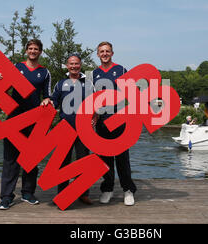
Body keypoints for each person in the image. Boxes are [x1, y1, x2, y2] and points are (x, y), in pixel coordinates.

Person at [0, 39, 51, 210]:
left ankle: (27, 192)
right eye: (30, 48)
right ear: (26, 51)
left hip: (35, 120)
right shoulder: (15, 67)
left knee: (31, 158)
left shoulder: (45, 72)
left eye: (36, 49)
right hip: (14, 119)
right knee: (10, 159)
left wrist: (47, 100)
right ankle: (6, 196)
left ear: (40, 52)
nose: (33, 51)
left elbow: (47, 95)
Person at [41, 53, 95, 205]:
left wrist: (94, 119)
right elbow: (54, 102)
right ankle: (63, 193)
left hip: (83, 130)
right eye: (71, 64)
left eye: (76, 63)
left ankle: (83, 194)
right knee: (62, 162)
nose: (74, 66)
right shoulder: (61, 83)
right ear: (67, 65)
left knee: (83, 162)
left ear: (80, 65)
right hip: (65, 129)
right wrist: (48, 100)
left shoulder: (89, 84)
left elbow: (95, 104)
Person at [92, 41, 137, 206]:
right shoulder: (94, 73)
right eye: (101, 51)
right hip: (102, 120)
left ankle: (128, 190)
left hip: (119, 118)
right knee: (104, 157)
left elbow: (131, 93)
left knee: (122, 157)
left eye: (107, 51)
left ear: (112, 53)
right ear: (97, 54)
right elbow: (92, 98)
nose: (104, 54)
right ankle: (108, 189)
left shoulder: (121, 70)